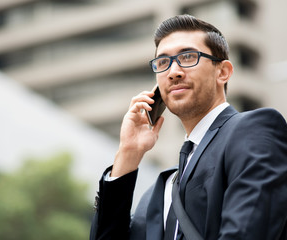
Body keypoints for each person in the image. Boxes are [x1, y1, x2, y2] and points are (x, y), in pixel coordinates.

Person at [89, 14, 287, 240]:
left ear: (222, 72)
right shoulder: (160, 191)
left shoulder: (253, 130)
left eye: (188, 56)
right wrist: (128, 154)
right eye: (163, 62)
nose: (173, 71)